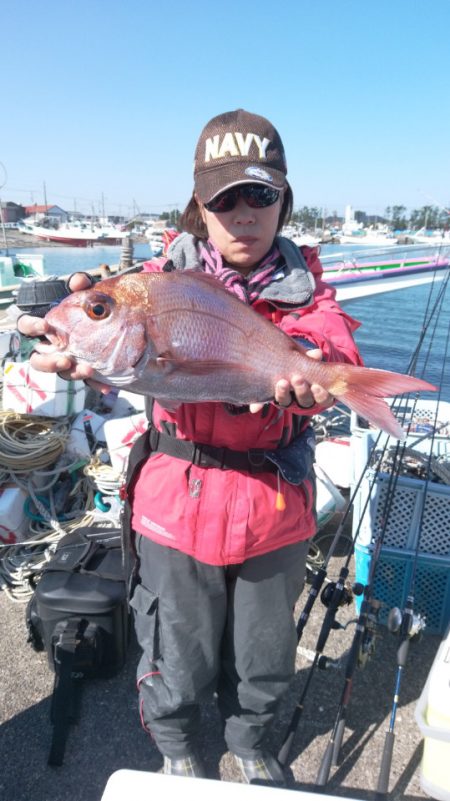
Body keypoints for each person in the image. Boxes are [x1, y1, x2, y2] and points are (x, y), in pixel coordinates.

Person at [19, 109, 362, 785]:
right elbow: (104, 338)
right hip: (176, 507)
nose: (241, 213)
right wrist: (69, 325)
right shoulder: (151, 284)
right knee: (173, 645)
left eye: (259, 194)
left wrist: (318, 372)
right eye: (223, 197)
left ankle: (252, 737)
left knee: (264, 653)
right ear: (198, 206)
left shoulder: (308, 293)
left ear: (283, 203)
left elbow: (334, 347)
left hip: (275, 512)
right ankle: (175, 741)